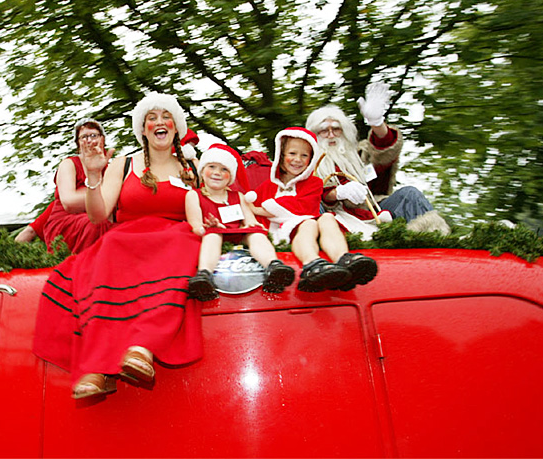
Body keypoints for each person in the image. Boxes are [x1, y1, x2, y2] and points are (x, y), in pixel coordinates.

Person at [33, 93, 204, 400]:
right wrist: (95, 177)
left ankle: (142, 349)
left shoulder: (193, 165)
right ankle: (97, 368)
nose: (159, 122)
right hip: (126, 240)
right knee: (103, 253)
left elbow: (209, 208)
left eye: (166, 117)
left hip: (175, 238)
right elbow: (98, 215)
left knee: (183, 243)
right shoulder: (123, 164)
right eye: (151, 117)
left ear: (176, 126)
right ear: (143, 128)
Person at [306, 82, 450, 237]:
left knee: (410, 194)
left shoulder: (360, 154)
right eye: (324, 131)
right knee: (310, 208)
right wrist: (336, 194)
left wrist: (377, 124)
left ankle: (435, 245)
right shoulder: (305, 161)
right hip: (329, 217)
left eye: (336, 129)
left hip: (371, 212)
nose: (331, 135)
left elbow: (384, 153)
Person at [248, 127, 378, 292]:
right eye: (292, 153)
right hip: (281, 232)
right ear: (281, 156)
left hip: (310, 225)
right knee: (308, 224)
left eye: (304, 155)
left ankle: (343, 259)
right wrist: (256, 211)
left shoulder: (314, 183)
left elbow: (303, 207)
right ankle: (311, 263)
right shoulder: (267, 186)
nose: (298, 160)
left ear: (311, 160)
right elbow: (252, 209)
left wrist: (261, 208)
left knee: (328, 218)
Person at [185, 144, 295, 301]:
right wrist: (208, 227)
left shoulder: (238, 196)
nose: (217, 173)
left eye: (224, 169)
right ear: (202, 171)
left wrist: (254, 226)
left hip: (238, 232)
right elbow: (195, 226)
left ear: (230, 177)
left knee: (256, 235)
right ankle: (204, 275)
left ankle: (274, 266)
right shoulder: (194, 195)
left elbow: (249, 220)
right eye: (212, 167)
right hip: (213, 233)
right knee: (212, 236)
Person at [40, 118, 115, 254]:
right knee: (97, 225)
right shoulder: (69, 164)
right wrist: (104, 194)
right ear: (78, 143)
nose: (89, 140)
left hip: (100, 218)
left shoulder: (112, 168)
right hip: (67, 223)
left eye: (94, 135)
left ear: (102, 140)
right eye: (84, 137)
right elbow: (69, 202)